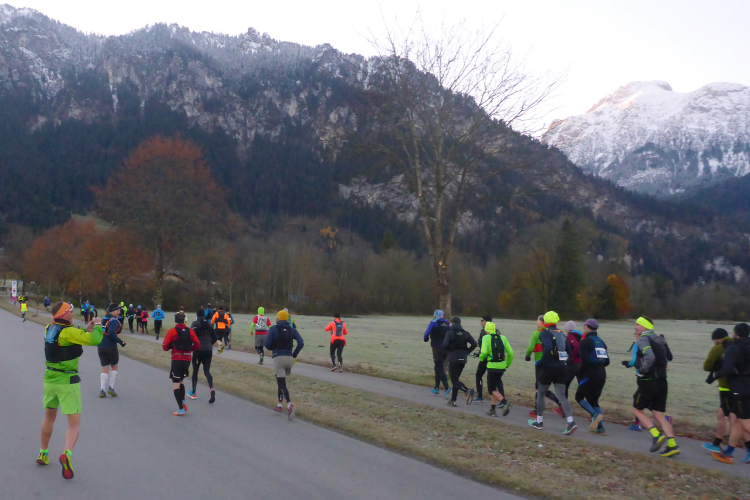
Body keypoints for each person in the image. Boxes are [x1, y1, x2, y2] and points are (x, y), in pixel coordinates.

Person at [38, 301, 104, 479]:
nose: (73, 314)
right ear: (63, 314)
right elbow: (95, 340)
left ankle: (43, 453)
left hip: (50, 380)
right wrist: (98, 325)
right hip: (68, 381)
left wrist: (86, 328)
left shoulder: (49, 329)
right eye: (70, 311)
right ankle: (67, 454)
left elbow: (70, 338)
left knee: (48, 418)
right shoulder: (69, 331)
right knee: (74, 424)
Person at [631, 316, 679, 457]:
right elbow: (669, 357)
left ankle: (656, 435)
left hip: (648, 381)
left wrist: (641, 371)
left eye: (638, 324)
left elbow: (650, 357)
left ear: (645, 326)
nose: (635, 327)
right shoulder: (660, 339)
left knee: (637, 409)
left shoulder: (643, 339)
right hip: (662, 381)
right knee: (659, 414)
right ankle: (672, 445)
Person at [528, 311, 578, 435]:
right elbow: (569, 353)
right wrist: (564, 361)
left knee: (541, 393)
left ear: (545, 321)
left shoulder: (544, 333)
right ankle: (570, 421)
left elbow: (548, 349)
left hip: (547, 368)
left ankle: (539, 422)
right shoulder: (561, 333)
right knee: (562, 396)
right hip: (561, 368)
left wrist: (541, 363)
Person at [702, 328, 748, 457]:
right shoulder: (740, 346)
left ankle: (726, 448)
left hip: (728, 386)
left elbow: (707, 366)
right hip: (742, 386)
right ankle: (719, 445)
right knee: (725, 415)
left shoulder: (721, 347)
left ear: (716, 339)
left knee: (737, 419)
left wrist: (716, 373)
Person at [264, 310, 304, 420]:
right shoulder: (292, 329)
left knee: (281, 383)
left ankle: (290, 405)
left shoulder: (273, 329)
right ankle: (279, 405)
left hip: (278, 358)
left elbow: (267, 345)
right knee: (280, 381)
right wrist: (294, 354)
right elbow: (301, 342)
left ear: (278, 318)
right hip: (289, 359)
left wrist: (273, 347)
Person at [162, 312, 201, 416]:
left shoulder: (172, 331)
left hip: (177, 358)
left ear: (175, 321)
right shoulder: (190, 331)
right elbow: (198, 345)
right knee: (181, 380)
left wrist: (172, 346)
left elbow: (165, 346)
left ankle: (181, 409)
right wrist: (189, 349)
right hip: (187, 359)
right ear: (184, 321)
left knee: (175, 383)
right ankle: (183, 401)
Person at [576, 318, 609, 434]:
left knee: (579, 397)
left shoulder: (584, 342)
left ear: (588, 327)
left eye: (584, 325)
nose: (583, 327)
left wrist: (580, 373)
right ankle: (600, 428)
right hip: (602, 374)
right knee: (593, 400)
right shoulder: (601, 341)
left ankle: (595, 415)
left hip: (589, 374)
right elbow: (607, 361)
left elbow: (584, 361)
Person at [526, 315, 563, 418]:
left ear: (541, 322)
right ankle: (560, 403)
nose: (536, 323)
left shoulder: (536, 334)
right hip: (552, 362)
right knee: (544, 386)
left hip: (540, 362)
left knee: (539, 386)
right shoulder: (551, 333)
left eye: (537, 321)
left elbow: (530, 348)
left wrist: (527, 356)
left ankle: (537, 410)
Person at [480, 321, 514, 417]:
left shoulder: (486, 338)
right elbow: (511, 353)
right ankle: (493, 409)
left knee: (491, 390)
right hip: (502, 366)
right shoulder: (503, 338)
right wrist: (507, 364)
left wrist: (482, 359)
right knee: (494, 387)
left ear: (486, 330)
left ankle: (505, 402)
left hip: (492, 366)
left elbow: (484, 352)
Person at [442, 316, 478, 406]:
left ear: (453, 323)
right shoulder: (465, 333)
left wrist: (449, 350)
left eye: (450, 323)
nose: (449, 324)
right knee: (456, 380)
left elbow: (445, 345)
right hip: (463, 359)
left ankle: (467, 390)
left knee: (454, 381)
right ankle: (453, 400)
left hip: (453, 358)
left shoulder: (449, 332)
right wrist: (467, 352)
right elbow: (474, 344)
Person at [188, 308, 218, 404]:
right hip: (208, 350)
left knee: (195, 371)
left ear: (197, 315)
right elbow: (215, 338)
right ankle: (211, 388)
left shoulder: (195, 324)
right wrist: (209, 344)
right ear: (204, 315)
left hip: (198, 350)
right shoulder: (209, 324)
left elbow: (190, 336)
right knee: (207, 371)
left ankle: (193, 392)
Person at [97, 305, 126, 398]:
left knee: (105, 368)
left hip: (101, 346)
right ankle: (111, 388)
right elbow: (111, 333)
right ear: (112, 311)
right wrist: (121, 342)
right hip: (110, 347)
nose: (119, 312)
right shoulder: (114, 321)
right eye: (117, 310)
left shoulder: (103, 320)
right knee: (114, 366)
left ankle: (102, 390)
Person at [424, 310, 451, 398]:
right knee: (437, 367)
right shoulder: (447, 323)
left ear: (436, 315)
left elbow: (426, 334)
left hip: (437, 348)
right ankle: (436, 387)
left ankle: (447, 388)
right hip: (446, 349)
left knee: (439, 367)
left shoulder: (433, 323)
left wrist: (426, 339)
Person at [474, 315, 492, 403]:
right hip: (495, 358)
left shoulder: (483, 331)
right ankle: (501, 398)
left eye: (482, 320)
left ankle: (480, 396)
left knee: (478, 375)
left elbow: (483, 346)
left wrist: (480, 354)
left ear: (486, 321)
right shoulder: (497, 331)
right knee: (495, 377)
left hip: (485, 358)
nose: (480, 322)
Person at [563, 320, 583, 399]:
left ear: (568, 328)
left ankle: (563, 403)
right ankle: (583, 400)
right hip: (581, 363)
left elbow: (576, 346)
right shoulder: (580, 335)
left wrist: (571, 357)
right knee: (581, 384)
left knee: (565, 383)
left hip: (573, 364)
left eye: (566, 328)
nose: (565, 329)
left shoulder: (570, 336)